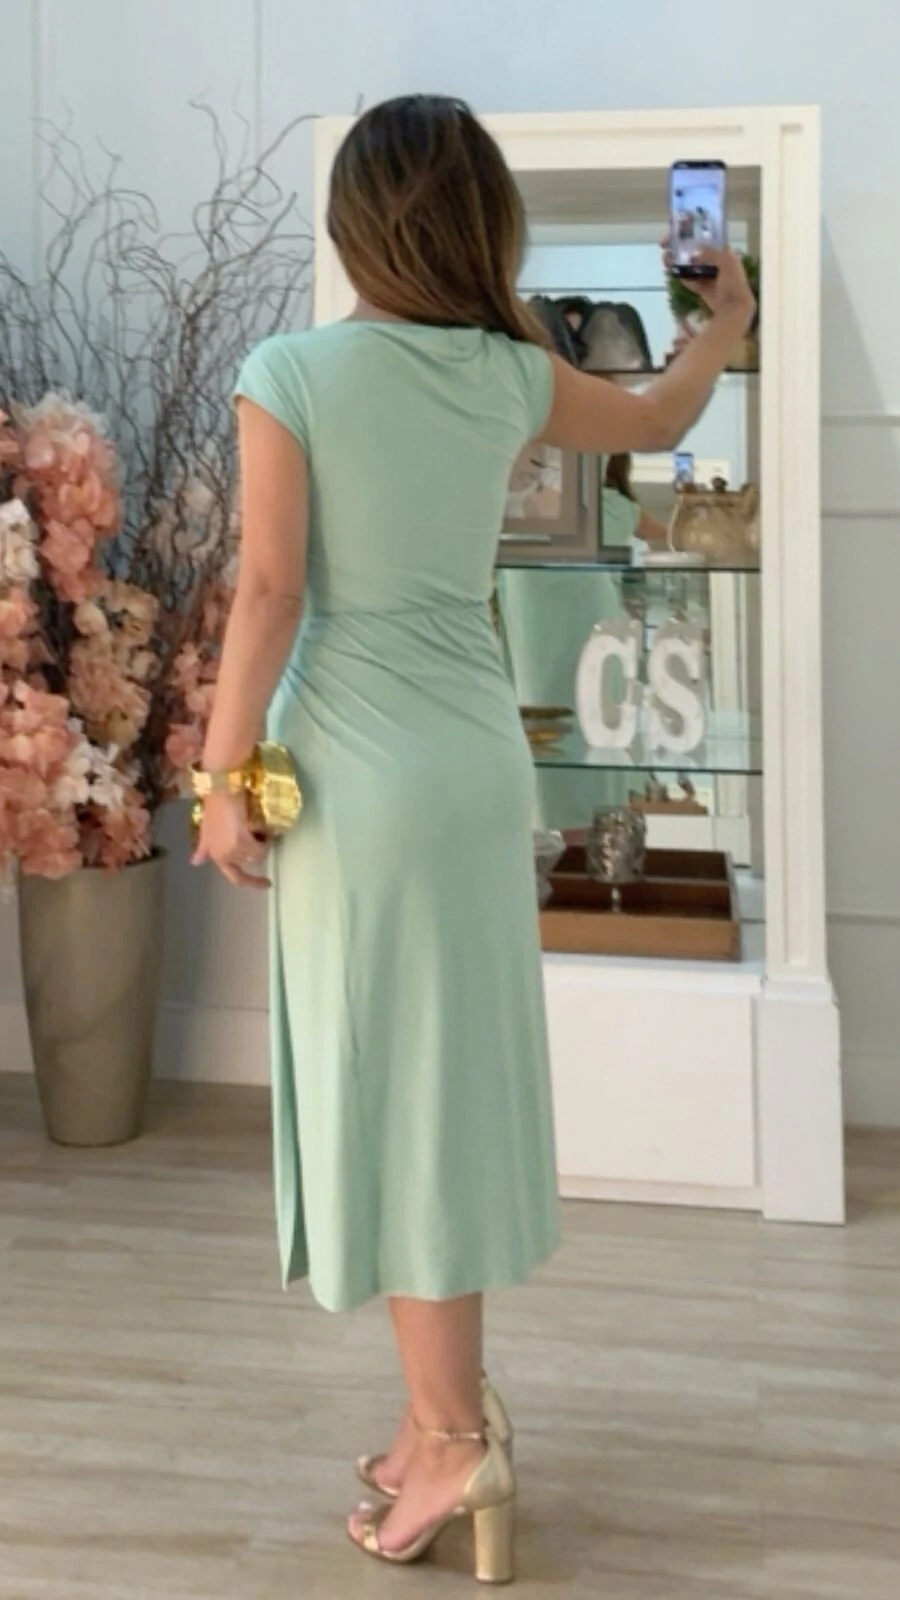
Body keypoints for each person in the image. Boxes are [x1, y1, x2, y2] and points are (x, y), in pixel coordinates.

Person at [191, 94, 755, 1581]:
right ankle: (437, 1407)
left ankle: (453, 1435)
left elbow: (271, 591)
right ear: (479, 225)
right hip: (469, 757)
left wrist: (216, 778)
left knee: (397, 1097)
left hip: (356, 780)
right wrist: (724, 319)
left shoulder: (290, 372)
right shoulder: (508, 371)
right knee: (435, 1089)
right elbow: (663, 419)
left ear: (356, 223)